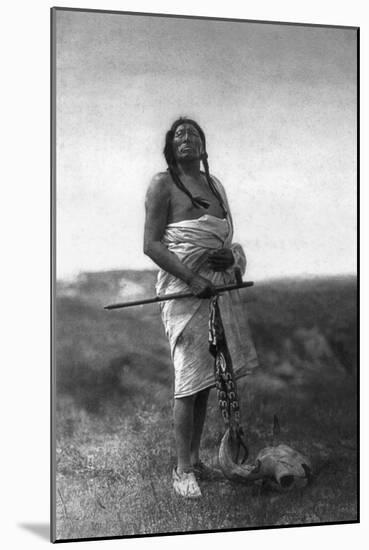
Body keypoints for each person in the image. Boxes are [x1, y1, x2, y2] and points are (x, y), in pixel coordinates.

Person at [143, 117, 258, 498]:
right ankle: (181, 471)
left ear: (203, 146)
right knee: (187, 381)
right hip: (183, 291)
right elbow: (152, 245)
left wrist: (228, 258)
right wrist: (192, 279)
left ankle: (194, 461)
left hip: (217, 291)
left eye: (193, 133)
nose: (186, 138)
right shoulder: (163, 184)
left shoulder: (215, 185)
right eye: (178, 134)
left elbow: (225, 238)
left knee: (206, 379)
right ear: (170, 146)